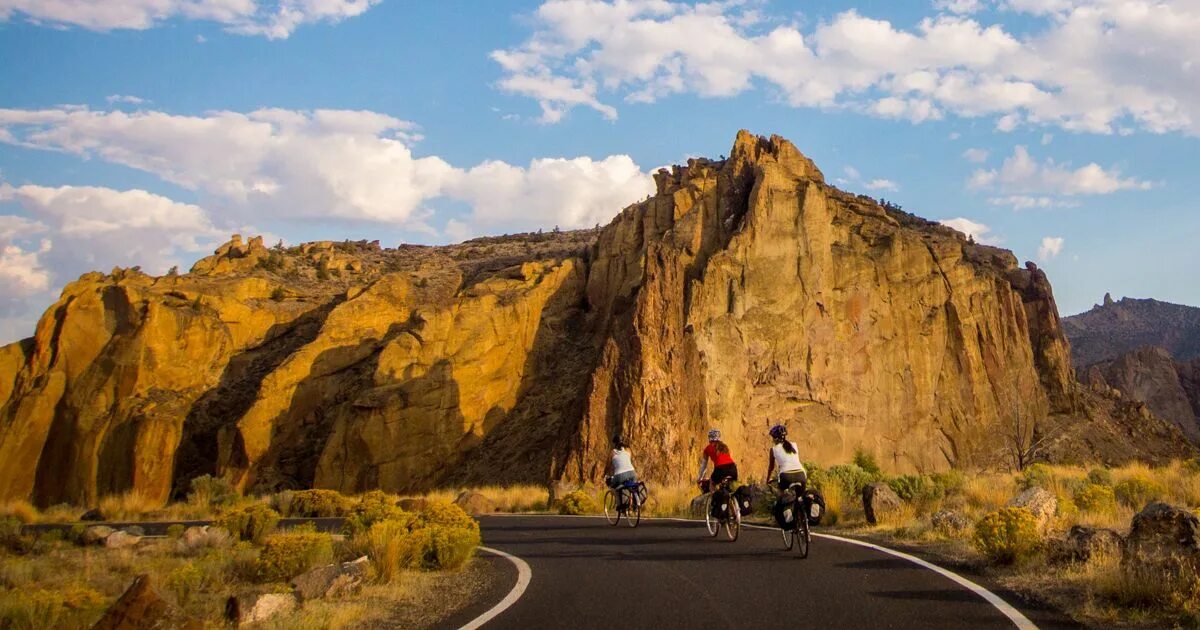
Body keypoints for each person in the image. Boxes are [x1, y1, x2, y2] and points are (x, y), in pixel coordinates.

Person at [765, 424, 806, 492]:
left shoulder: (773, 449)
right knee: (801, 498)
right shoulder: (794, 445)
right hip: (801, 475)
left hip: (786, 476)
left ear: (776, 438)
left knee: (782, 498)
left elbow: (771, 468)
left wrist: (767, 481)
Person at [605, 434, 637, 503]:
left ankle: (619, 505)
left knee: (613, 487)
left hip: (620, 475)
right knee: (632, 486)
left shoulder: (612, 452)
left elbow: (608, 466)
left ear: (615, 443)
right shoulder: (628, 450)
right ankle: (633, 504)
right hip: (632, 473)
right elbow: (628, 461)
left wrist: (605, 474)